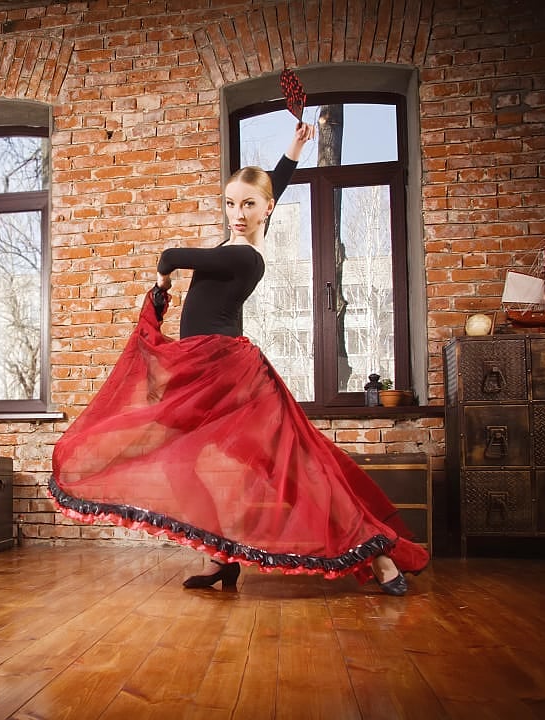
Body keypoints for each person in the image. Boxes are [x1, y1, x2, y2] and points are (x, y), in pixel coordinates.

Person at [49, 125, 429, 596]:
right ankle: (220, 558)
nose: (237, 214)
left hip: (227, 373)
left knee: (291, 471)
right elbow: (274, 184)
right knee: (177, 461)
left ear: (266, 210)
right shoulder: (246, 231)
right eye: (231, 203)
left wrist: (164, 279)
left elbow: (169, 255)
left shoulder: (244, 258)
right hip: (204, 370)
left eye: (248, 205)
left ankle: (379, 556)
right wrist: (293, 150)